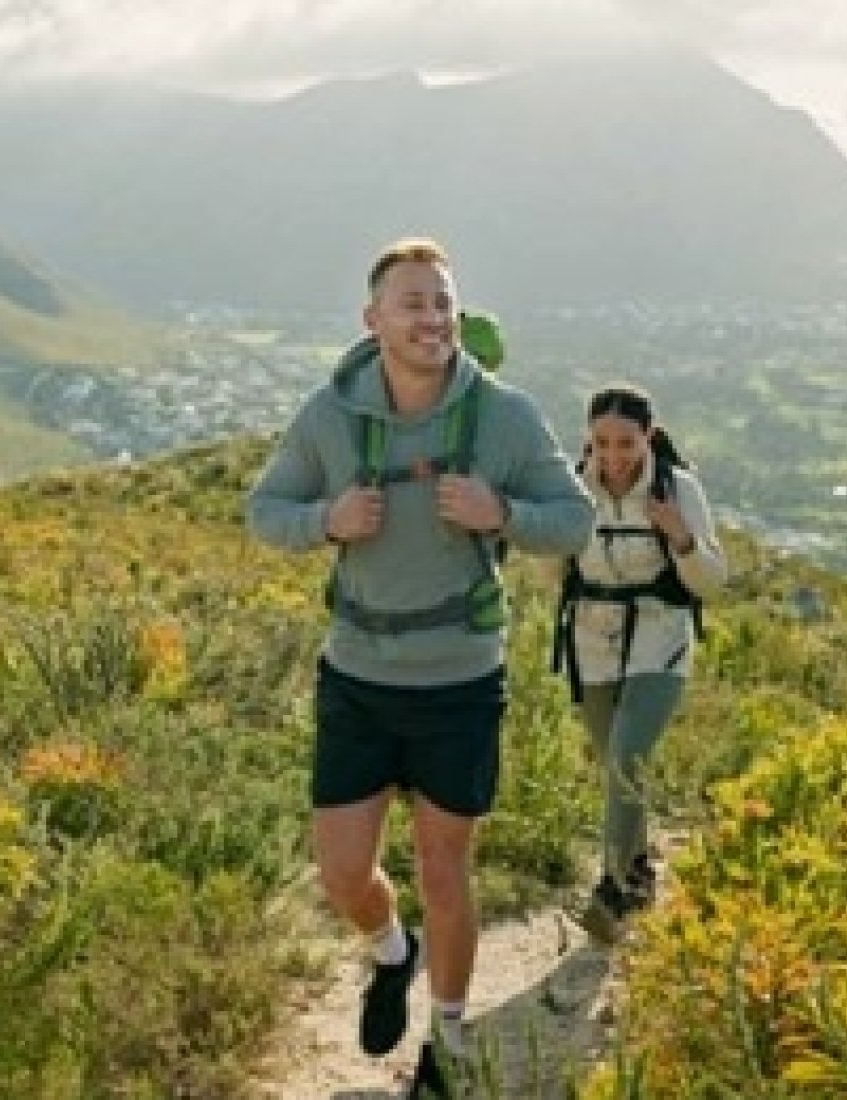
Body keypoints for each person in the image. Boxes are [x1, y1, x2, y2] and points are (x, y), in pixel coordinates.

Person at [246, 237, 593, 1094]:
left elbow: (572, 518)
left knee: (446, 871)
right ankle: (388, 953)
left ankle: (447, 1040)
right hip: (357, 677)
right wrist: (326, 520)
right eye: (412, 302)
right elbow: (264, 509)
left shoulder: (503, 417)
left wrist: (500, 509)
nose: (432, 318)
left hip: (460, 682)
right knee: (341, 872)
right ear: (374, 319)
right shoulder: (331, 416)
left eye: (443, 302)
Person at [552, 383, 728, 943]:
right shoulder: (573, 489)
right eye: (601, 442)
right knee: (617, 769)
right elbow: (556, 571)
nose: (613, 455)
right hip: (592, 642)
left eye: (625, 442)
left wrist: (680, 537)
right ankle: (639, 871)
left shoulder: (678, 490)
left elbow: (712, 580)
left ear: (648, 436)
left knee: (627, 758)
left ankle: (611, 890)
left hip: (659, 636)